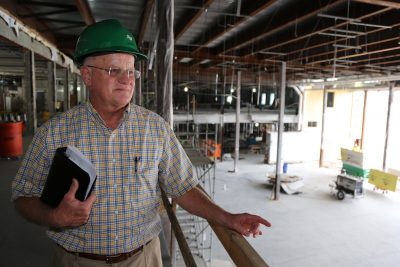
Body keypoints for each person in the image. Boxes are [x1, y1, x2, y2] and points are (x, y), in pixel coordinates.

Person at [11, 19, 271, 267]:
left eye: (131, 71)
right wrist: (53, 217)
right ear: (87, 76)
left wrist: (228, 218)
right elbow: (23, 195)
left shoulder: (154, 128)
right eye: (114, 70)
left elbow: (184, 187)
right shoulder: (53, 133)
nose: (126, 79)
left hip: (143, 259)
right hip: (77, 260)